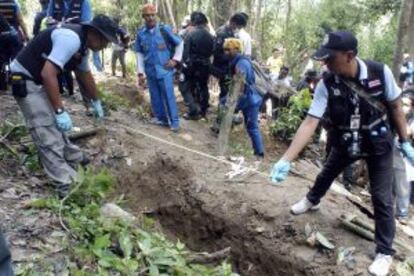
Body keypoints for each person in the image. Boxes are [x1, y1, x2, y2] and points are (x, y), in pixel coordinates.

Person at [269, 30, 414, 276]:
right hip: (347, 139)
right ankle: (311, 201)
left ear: (349, 55)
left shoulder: (380, 73)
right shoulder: (327, 82)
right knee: (326, 173)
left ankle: (384, 252)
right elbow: (310, 122)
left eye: (329, 58)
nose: (325, 64)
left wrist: (404, 140)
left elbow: (396, 106)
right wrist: (285, 159)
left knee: (381, 197)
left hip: (378, 142)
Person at [9, 14, 118, 197]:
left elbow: (85, 75)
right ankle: (66, 184)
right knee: (44, 127)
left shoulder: (82, 46)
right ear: (94, 33)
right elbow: (48, 74)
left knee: (54, 125)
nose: (105, 46)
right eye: (105, 41)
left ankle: (73, 158)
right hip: (26, 78)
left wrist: (96, 101)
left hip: (39, 79)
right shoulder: (71, 39)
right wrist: (60, 110)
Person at [135, 4, 183, 132]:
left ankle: (175, 122)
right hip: (150, 70)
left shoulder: (164, 29)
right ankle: (161, 119)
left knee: (168, 95)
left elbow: (180, 43)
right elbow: (139, 53)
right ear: (143, 17)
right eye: (147, 16)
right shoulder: (140, 33)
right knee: (155, 95)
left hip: (164, 69)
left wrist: (175, 60)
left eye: (152, 15)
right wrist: (140, 72)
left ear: (155, 15)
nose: (150, 18)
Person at [224, 38, 264, 158]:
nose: (226, 52)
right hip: (250, 98)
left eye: (228, 50)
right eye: (224, 50)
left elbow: (240, 82)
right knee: (252, 126)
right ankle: (259, 152)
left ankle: (259, 153)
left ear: (236, 49)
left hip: (248, 98)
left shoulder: (241, 63)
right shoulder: (240, 61)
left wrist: (234, 99)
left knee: (252, 126)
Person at [180, 11, 214, 120]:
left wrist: (185, 65)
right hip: (206, 65)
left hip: (193, 65)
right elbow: (213, 51)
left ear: (193, 21)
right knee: (204, 87)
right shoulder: (210, 36)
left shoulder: (190, 34)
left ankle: (193, 111)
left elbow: (185, 54)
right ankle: (203, 111)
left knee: (186, 87)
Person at [212, 13, 247, 106]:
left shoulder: (231, 32)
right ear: (233, 22)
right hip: (222, 68)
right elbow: (216, 53)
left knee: (228, 91)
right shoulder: (222, 33)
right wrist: (231, 56)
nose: (238, 28)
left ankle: (223, 112)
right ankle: (221, 114)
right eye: (238, 26)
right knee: (225, 91)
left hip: (228, 67)